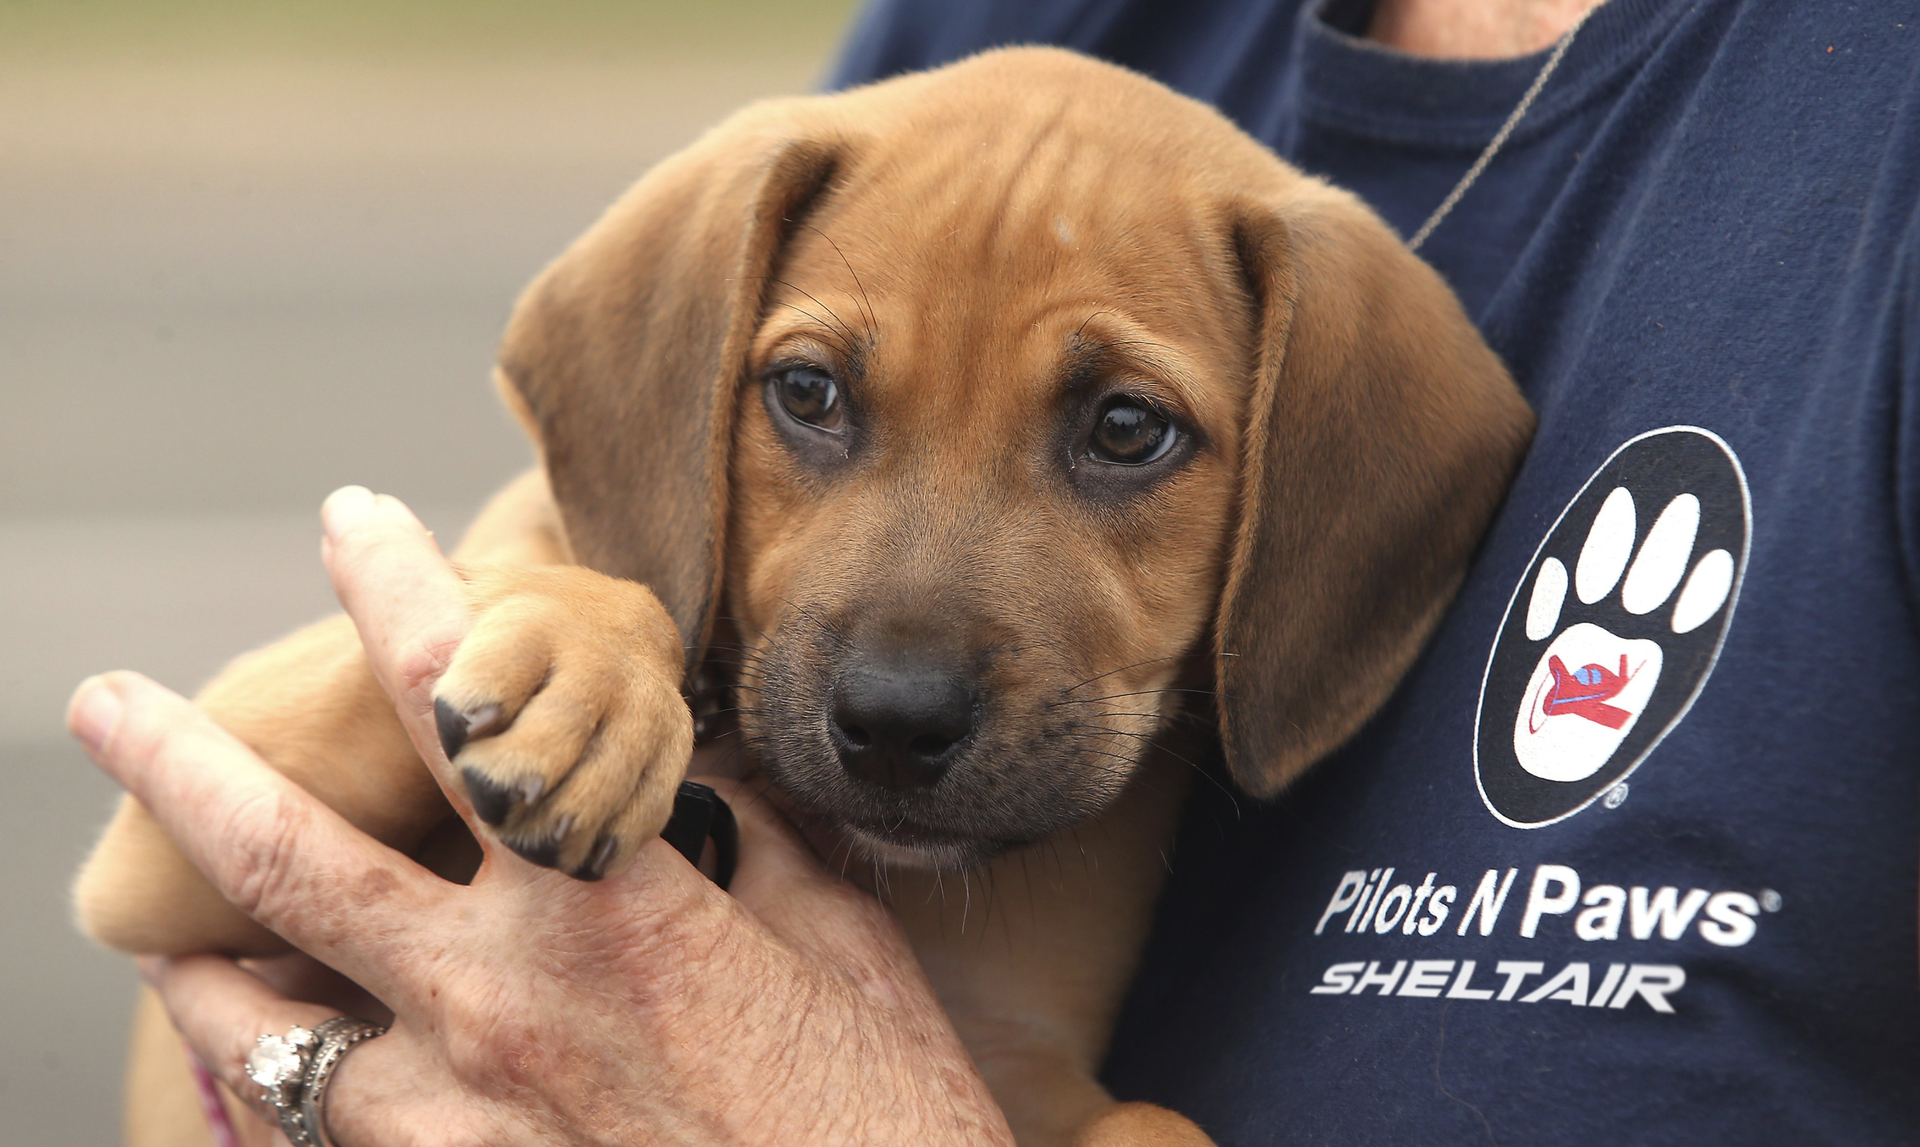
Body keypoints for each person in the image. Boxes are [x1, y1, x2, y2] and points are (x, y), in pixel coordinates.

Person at [72, 0, 1920, 1141]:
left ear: (1315, 480)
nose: (902, 671)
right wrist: (572, 619)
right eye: (812, 397)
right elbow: (161, 873)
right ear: (699, 381)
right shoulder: (601, 602)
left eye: (1122, 435)